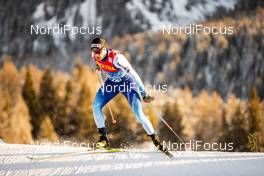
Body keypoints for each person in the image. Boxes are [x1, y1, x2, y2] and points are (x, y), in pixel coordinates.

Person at [91, 37, 168, 152]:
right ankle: (104, 140)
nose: (97, 55)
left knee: (138, 113)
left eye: (98, 52)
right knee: (96, 106)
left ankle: (156, 141)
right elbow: (100, 63)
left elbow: (134, 74)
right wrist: (99, 67)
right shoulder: (95, 55)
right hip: (112, 84)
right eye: (94, 52)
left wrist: (144, 93)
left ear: (104, 49)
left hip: (127, 84)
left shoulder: (117, 59)